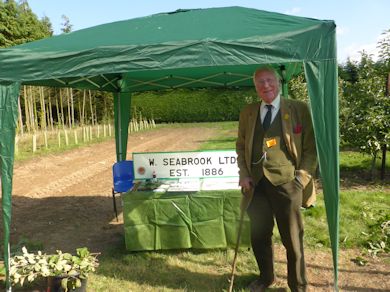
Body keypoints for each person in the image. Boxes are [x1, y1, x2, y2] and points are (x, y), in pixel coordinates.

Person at [236, 66, 317, 292]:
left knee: (292, 239)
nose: (266, 86)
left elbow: (312, 148)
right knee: (259, 235)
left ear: (278, 83)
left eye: (269, 80)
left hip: (287, 184)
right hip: (256, 184)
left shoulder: (298, 109)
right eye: (260, 82)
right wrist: (244, 174)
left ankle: (298, 286)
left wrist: (301, 179)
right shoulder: (248, 112)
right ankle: (266, 278)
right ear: (255, 87)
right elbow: (241, 147)